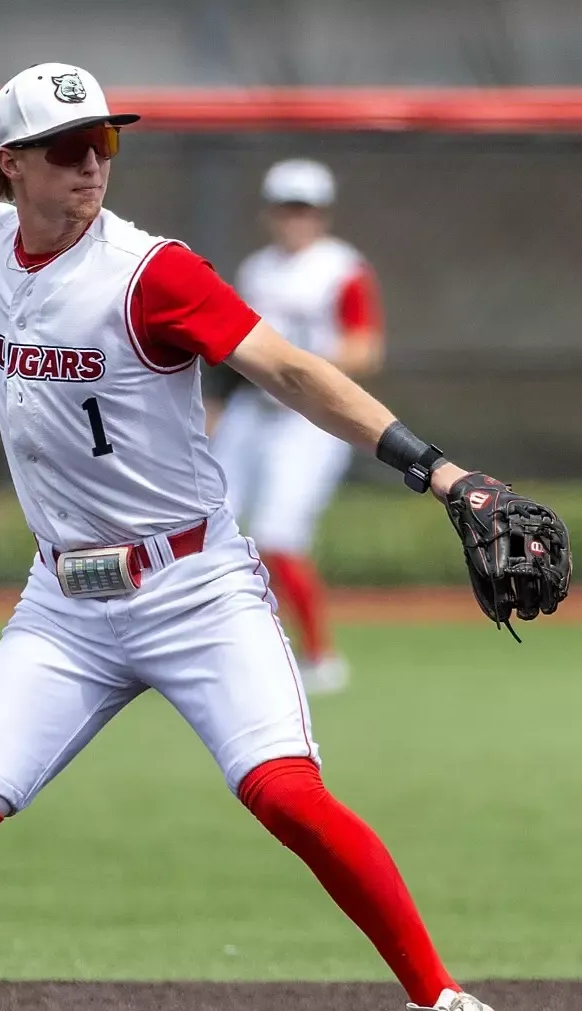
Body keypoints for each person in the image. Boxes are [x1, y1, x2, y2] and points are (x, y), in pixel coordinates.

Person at [0, 61, 536, 1011]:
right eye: (66, 149)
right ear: (10, 166)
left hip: (194, 587)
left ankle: (443, 1000)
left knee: (286, 794)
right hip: (64, 600)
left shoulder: (150, 272)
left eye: (103, 143)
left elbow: (288, 370)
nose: (91, 166)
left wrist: (439, 472)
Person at [210, 159, 378, 695]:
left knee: (279, 535)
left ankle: (319, 657)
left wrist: (306, 372)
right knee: (212, 529)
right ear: (271, 213)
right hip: (253, 413)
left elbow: (366, 347)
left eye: (304, 209)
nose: (295, 219)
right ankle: (220, 649)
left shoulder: (341, 268)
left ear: (322, 214)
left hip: (307, 420)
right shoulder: (257, 269)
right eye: (287, 208)